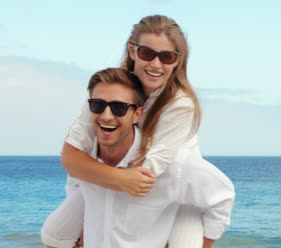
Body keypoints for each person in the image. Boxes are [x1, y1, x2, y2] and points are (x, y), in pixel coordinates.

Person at [59, 15, 234, 247]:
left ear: (177, 61)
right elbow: (71, 158)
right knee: (55, 233)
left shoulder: (180, 105)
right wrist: (91, 217)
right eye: (147, 53)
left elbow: (143, 177)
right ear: (132, 51)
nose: (156, 64)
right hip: (118, 183)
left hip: (177, 193)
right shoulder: (107, 91)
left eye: (167, 57)